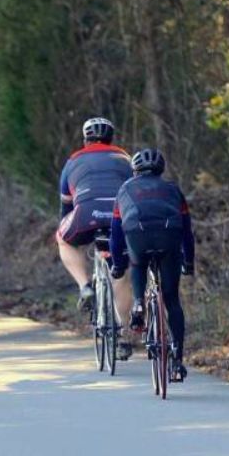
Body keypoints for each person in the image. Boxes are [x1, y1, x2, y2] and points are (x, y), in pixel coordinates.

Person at [108, 149, 195, 373]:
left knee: (138, 263)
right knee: (172, 300)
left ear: (135, 170)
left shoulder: (124, 190)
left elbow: (116, 233)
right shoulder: (173, 190)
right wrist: (189, 261)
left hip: (138, 236)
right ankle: (177, 359)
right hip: (169, 237)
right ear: (161, 170)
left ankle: (138, 303)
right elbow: (186, 230)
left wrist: (117, 264)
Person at [56, 117, 133, 315]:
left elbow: (66, 206)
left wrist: (66, 224)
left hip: (87, 214)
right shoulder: (125, 158)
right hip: (120, 216)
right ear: (111, 138)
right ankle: (124, 338)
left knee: (62, 239)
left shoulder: (73, 161)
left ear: (85, 140)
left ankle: (85, 286)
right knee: (121, 274)